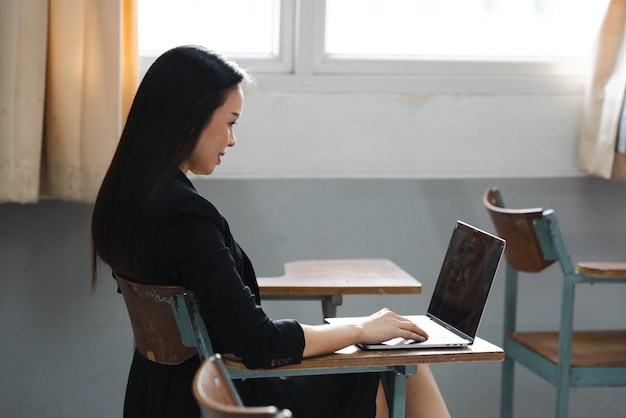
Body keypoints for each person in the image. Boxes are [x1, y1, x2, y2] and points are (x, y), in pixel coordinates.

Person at [91, 45, 450, 418]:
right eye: (230, 122)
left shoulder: (127, 200)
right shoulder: (183, 215)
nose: (232, 140)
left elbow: (226, 317)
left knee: (394, 363)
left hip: (164, 394)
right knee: (409, 366)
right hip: (233, 398)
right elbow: (259, 342)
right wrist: (361, 330)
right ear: (190, 117)